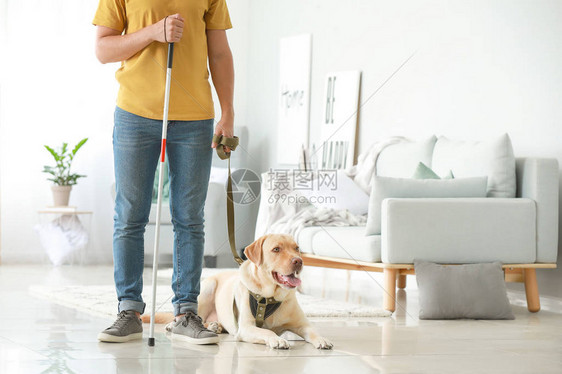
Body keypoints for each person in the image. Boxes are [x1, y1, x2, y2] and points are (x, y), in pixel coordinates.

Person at [92, 0, 234, 344]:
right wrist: (154, 32)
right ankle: (129, 311)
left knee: (189, 216)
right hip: (134, 114)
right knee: (130, 214)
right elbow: (103, 49)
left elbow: (219, 54)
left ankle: (186, 312)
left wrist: (227, 112)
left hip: (195, 117)